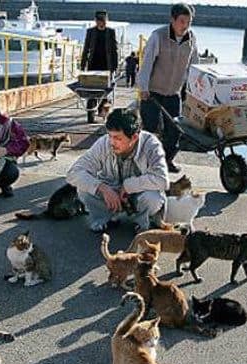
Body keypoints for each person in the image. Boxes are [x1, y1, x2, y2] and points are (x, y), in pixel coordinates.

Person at [66, 108, 169, 234]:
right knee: (84, 190)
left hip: (138, 195)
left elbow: (162, 180)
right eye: (110, 136)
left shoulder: (151, 145)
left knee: (153, 198)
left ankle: (141, 223)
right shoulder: (104, 143)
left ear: (134, 137)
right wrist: (102, 188)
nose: (112, 142)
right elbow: (74, 173)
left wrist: (128, 186)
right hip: (112, 192)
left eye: (117, 138)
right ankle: (105, 219)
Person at [137, 2, 199, 173]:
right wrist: (143, 87)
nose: (185, 26)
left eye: (189, 22)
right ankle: (145, 163)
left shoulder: (192, 39)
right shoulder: (158, 36)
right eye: (182, 21)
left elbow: (194, 68)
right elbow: (147, 63)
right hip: (153, 92)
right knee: (150, 129)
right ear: (172, 20)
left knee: (175, 130)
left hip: (174, 93)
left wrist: (194, 91)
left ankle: (167, 160)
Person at [79, 10, 118, 122]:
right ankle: (90, 114)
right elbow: (86, 48)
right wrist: (83, 64)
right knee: (91, 90)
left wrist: (114, 66)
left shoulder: (110, 32)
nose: (102, 23)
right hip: (93, 64)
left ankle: (102, 111)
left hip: (107, 64)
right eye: (100, 20)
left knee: (106, 90)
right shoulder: (91, 32)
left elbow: (114, 49)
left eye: (104, 20)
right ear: (96, 21)